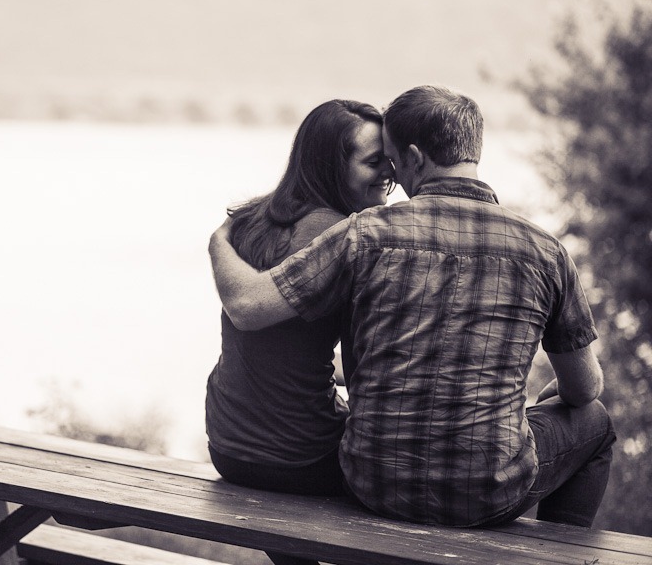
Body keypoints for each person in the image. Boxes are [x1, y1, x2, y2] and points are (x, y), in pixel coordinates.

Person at [208, 85, 616, 528]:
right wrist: (555, 394)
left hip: (371, 484)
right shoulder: (547, 251)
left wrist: (219, 239)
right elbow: (584, 389)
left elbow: (254, 308)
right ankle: (558, 555)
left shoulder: (363, 234)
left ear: (416, 159)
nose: (392, 175)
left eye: (394, 161)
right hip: (488, 493)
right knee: (594, 421)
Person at [206, 99, 395, 497]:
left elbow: (285, 351)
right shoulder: (342, 235)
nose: (388, 172)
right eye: (374, 161)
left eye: (390, 159)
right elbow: (366, 369)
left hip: (227, 449)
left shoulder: (252, 220)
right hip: (300, 459)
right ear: (331, 165)